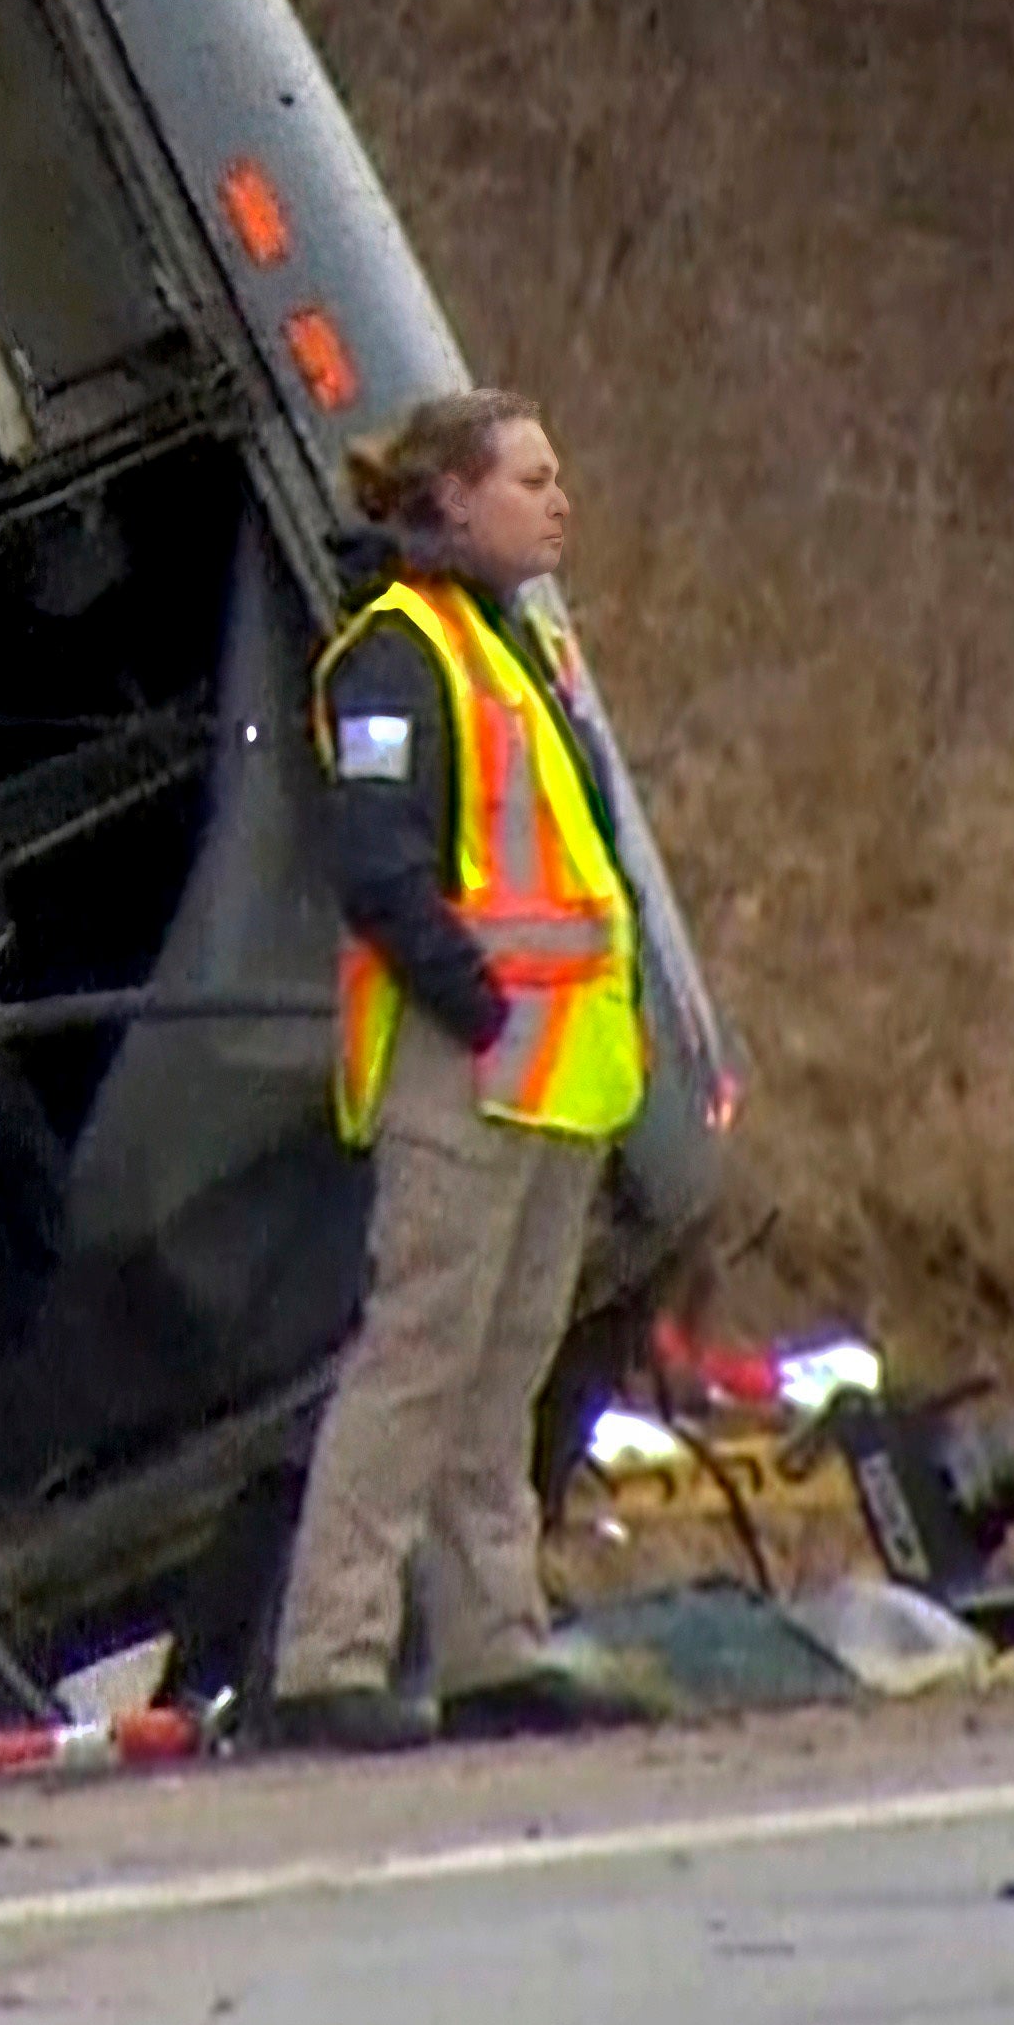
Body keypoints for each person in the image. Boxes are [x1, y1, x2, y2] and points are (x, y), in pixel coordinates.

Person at [248, 389, 660, 1754]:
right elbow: (377, 864)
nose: (560, 498)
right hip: (471, 1069)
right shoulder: (399, 653)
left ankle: (495, 1647)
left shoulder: (513, 646)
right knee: (419, 1364)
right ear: (452, 500)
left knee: (500, 1378)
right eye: (531, 478)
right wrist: (477, 1007)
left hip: (549, 1075)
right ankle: (332, 1660)